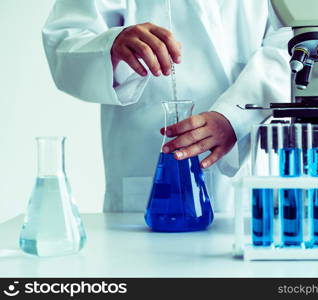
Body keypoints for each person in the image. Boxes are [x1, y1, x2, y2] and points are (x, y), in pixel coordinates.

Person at [42, 0, 291, 213]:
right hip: (146, 172)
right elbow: (65, 41)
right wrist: (112, 45)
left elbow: (292, 45)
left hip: (242, 174)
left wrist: (234, 118)